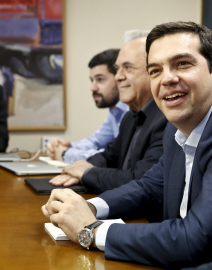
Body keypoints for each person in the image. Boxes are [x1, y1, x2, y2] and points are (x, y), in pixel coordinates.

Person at [42, 21, 212, 268]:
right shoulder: (176, 132)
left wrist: (90, 229)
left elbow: (194, 239)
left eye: (182, 64)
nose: (167, 78)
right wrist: (87, 207)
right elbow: (148, 187)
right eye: (155, 70)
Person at [49, 35, 167, 193]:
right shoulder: (131, 117)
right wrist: (79, 168)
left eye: (128, 68)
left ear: (154, 72)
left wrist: (86, 173)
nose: (118, 76)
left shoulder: (167, 119)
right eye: (117, 69)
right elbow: (109, 156)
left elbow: (140, 178)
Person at [47, 49, 129, 164]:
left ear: (119, 78)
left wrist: (65, 153)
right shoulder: (116, 110)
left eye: (100, 79)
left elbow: (112, 158)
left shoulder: (131, 110)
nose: (93, 88)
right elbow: (96, 141)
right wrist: (69, 146)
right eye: (92, 80)